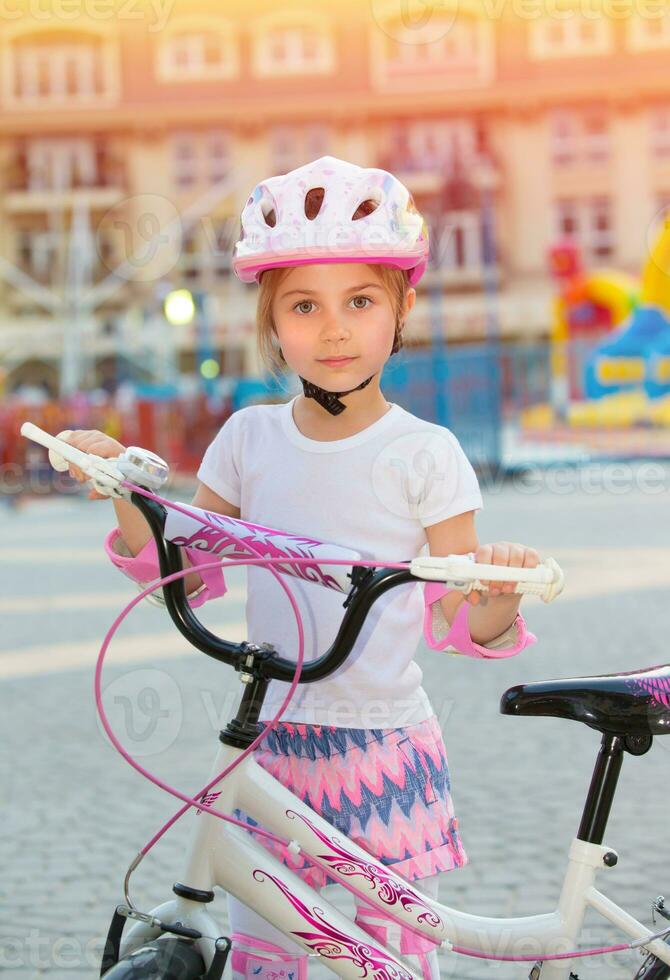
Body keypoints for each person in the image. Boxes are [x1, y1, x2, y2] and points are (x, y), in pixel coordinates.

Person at [62, 156, 541, 980]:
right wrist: (120, 485)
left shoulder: (426, 453)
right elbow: (184, 564)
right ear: (271, 321)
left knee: (391, 957)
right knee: (264, 948)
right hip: (275, 739)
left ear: (402, 310)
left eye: (360, 301)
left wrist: (494, 595)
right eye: (304, 306)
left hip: (385, 743)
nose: (334, 329)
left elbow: (460, 622)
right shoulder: (249, 439)